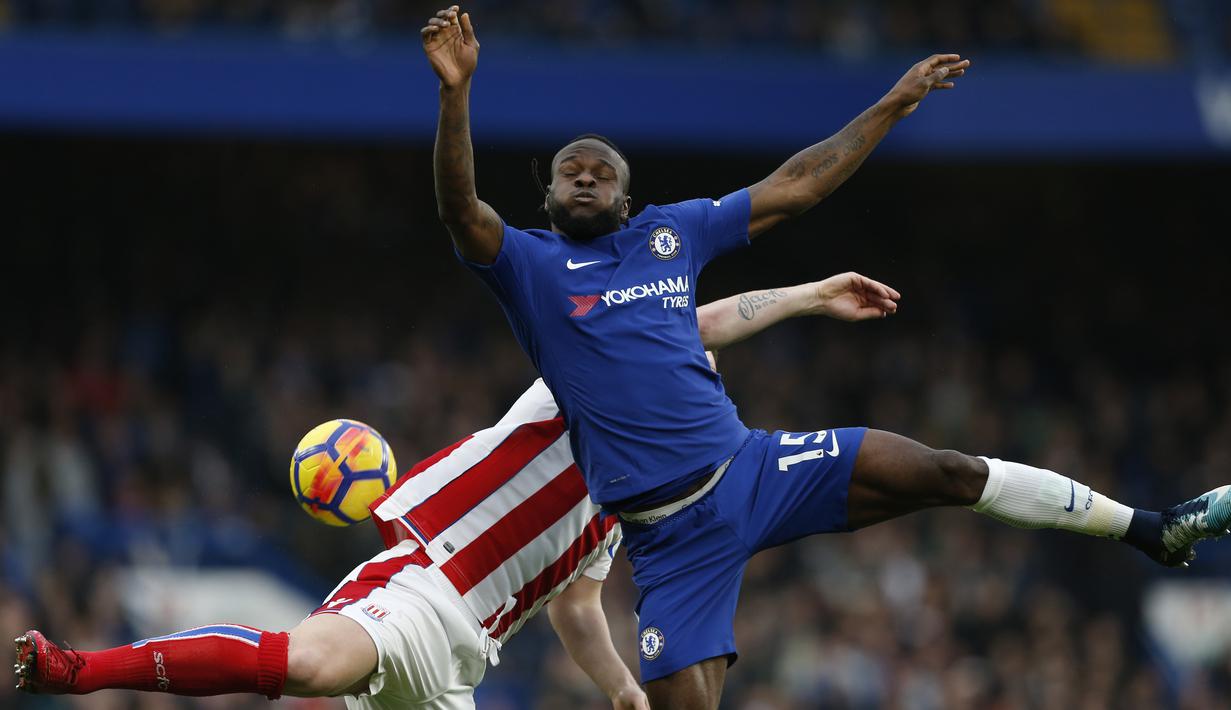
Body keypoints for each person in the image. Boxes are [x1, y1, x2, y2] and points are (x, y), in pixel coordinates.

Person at [421, 6, 1231, 709]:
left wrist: (890, 105)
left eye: (602, 173)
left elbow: (795, 186)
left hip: (753, 469)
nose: (585, 178)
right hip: (669, 540)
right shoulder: (529, 267)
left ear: (626, 199)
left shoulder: (669, 234)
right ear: (548, 198)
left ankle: (1151, 529)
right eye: (570, 172)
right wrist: (456, 94)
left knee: (945, 470)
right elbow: (460, 209)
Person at [13, 277, 874, 709]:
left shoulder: (623, 511)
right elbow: (700, 323)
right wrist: (808, 297)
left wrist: (619, 688)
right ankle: (80, 669)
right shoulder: (575, 395)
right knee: (307, 663)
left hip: (459, 665)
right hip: (424, 582)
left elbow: (578, 611)